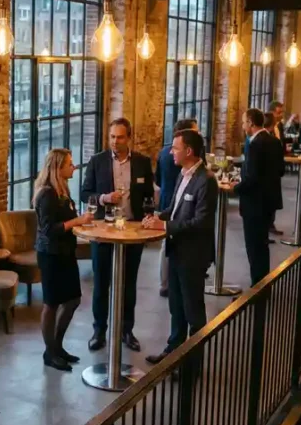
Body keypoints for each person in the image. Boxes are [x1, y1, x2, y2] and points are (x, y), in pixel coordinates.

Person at [142, 129, 217, 364]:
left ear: (189, 151)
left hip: (193, 256)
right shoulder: (182, 174)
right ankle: (173, 352)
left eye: (175, 148)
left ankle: (192, 364)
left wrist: (163, 227)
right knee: (176, 306)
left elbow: (201, 222)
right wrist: (156, 217)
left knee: (193, 311)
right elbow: (174, 210)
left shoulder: (206, 181)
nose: (170, 152)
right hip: (176, 251)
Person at [80, 117, 155, 352]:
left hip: (133, 231)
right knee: (101, 283)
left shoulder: (142, 163)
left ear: (128, 137)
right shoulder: (97, 161)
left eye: (120, 137)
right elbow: (85, 193)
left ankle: (126, 330)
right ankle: (99, 331)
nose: (115, 141)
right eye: (112, 137)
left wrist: (148, 216)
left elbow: (148, 197)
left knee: (128, 283)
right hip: (104, 230)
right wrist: (104, 198)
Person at [33, 149, 93, 371]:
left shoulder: (62, 190)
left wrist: (80, 222)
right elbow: (49, 230)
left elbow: (65, 221)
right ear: (58, 168)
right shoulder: (47, 194)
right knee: (51, 303)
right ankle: (50, 352)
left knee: (73, 299)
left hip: (65, 252)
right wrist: (79, 220)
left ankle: (57, 346)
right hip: (50, 255)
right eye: (69, 163)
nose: (73, 167)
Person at [225, 108, 282, 286]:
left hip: (255, 202)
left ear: (250, 122)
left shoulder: (255, 144)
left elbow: (252, 176)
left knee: (254, 245)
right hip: (269, 201)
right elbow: (281, 170)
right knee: (262, 244)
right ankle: (262, 282)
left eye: (243, 122)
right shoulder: (274, 141)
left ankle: (257, 285)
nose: (243, 126)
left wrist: (236, 188)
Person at [156, 118, 200, 298]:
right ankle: (168, 283)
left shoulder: (162, 153)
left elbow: (157, 179)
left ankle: (164, 282)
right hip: (175, 208)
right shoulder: (186, 169)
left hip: (165, 199)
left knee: (165, 246)